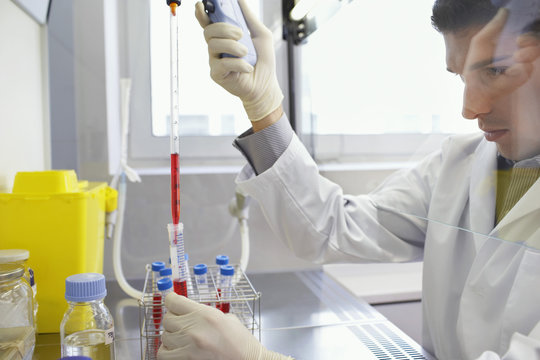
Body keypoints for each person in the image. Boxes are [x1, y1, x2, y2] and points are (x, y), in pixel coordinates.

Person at [157, 0, 540, 359]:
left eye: (495, 71)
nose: (470, 109)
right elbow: (330, 227)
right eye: (461, 78)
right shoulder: (459, 165)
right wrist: (264, 108)